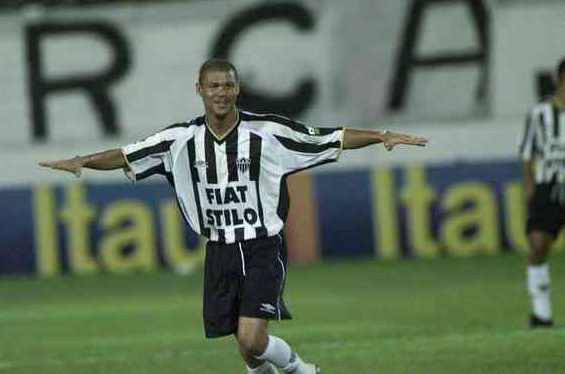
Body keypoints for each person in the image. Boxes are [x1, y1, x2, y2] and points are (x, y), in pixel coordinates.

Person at [40, 59, 428, 374]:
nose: (221, 93)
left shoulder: (269, 132)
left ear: (237, 89)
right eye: (213, 86)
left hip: (262, 245)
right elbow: (126, 154)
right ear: (200, 90)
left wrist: (380, 136)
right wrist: (83, 162)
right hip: (220, 251)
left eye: (228, 85)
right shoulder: (179, 141)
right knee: (249, 353)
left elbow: (329, 137)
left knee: (252, 339)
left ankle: (300, 371)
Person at [519, 57, 565, 328]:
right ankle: (541, 313)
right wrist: (532, 190)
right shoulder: (540, 114)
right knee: (538, 245)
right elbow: (528, 155)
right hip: (548, 188)